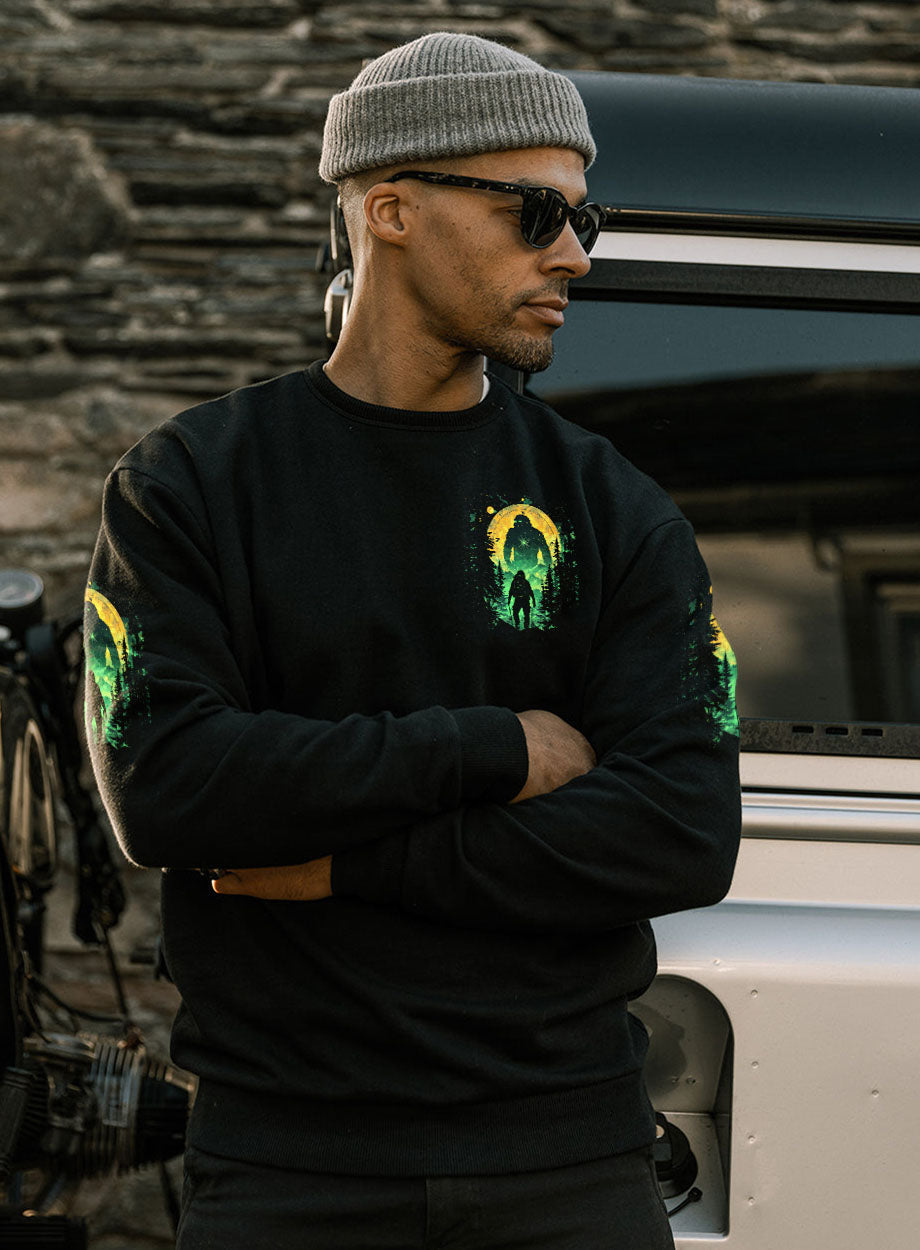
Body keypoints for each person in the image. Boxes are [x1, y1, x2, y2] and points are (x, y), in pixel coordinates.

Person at [84, 31, 741, 1249]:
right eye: (534, 211)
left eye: (585, 218)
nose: (572, 253)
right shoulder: (191, 485)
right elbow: (169, 786)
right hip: (288, 1170)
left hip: (568, 1165)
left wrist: (348, 862)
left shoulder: (612, 507)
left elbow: (680, 831)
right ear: (390, 209)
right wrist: (493, 745)